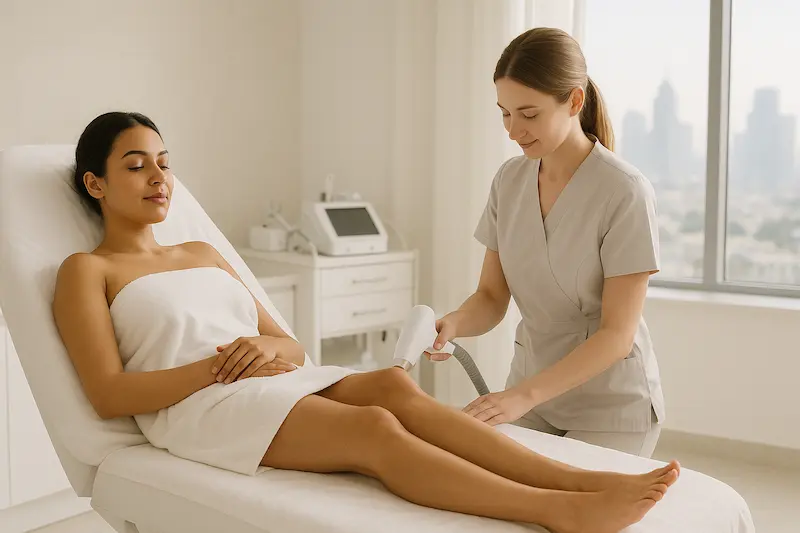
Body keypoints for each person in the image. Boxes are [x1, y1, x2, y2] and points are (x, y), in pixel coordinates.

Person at [52, 111, 678, 533]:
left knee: (389, 385)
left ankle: (579, 478)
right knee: (374, 428)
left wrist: (268, 353)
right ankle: (556, 510)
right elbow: (108, 396)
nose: (160, 178)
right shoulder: (87, 271)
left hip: (263, 382)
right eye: (136, 166)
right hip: (199, 409)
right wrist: (219, 367)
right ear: (95, 184)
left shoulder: (203, 254)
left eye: (164, 162)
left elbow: (289, 345)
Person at [428, 27, 666, 459]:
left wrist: (521, 397)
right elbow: (491, 296)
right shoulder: (509, 180)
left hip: (609, 406)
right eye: (504, 113)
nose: (513, 130)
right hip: (531, 394)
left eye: (529, 114)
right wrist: (453, 325)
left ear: (574, 102)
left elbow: (617, 335)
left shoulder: (625, 191)